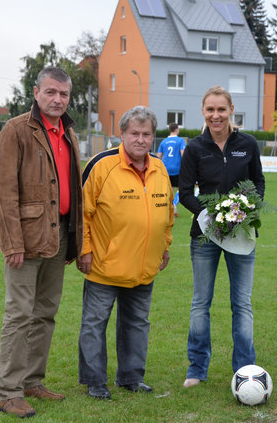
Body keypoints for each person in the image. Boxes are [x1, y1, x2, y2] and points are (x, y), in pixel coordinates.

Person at [0, 67, 83, 418]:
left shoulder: (69, 132)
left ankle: (33, 381)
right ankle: (9, 392)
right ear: (36, 92)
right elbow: (3, 191)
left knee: (45, 312)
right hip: (25, 239)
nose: (57, 99)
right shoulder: (16, 129)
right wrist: (12, 242)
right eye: (51, 92)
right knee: (19, 314)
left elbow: (73, 189)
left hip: (58, 234)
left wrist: (74, 239)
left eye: (63, 94)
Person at [77, 106, 174, 400]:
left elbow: (168, 213)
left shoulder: (160, 168)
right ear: (122, 134)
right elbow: (83, 214)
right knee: (95, 324)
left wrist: (165, 246)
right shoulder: (100, 165)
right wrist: (84, 250)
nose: (141, 140)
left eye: (146, 134)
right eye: (135, 133)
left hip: (144, 266)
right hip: (104, 265)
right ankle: (95, 380)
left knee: (137, 323)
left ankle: (131, 376)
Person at [179, 86, 265, 388]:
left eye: (221, 109)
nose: (216, 115)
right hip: (204, 236)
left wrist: (244, 209)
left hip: (241, 234)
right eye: (210, 110)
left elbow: (258, 184)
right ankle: (197, 368)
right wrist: (212, 215)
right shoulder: (195, 147)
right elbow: (185, 193)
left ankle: (245, 369)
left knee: (242, 303)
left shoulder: (248, 144)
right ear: (203, 111)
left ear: (231, 110)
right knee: (201, 302)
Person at [157, 123, 186, 217]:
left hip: (166, 169)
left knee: (170, 190)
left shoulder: (164, 141)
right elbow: (183, 154)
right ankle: (173, 206)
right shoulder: (180, 140)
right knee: (181, 189)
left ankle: (170, 209)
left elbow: (158, 156)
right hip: (177, 168)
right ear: (177, 129)